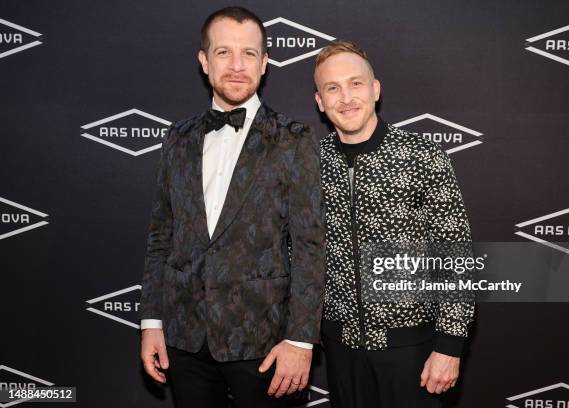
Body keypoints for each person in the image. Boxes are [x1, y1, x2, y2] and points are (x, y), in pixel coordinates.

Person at [138, 7, 325, 408]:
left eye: (249, 54)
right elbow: (161, 236)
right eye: (224, 53)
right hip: (185, 339)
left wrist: (300, 339)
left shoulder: (294, 140)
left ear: (265, 63)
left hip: (266, 343)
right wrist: (152, 321)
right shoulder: (178, 137)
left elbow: (311, 247)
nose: (237, 66)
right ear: (205, 61)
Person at [314, 41, 475, 408]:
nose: (346, 97)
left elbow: (455, 254)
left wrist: (449, 346)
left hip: (414, 351)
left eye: (355, 84)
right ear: (320, 101)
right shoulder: (310, 163)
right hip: (341, 349)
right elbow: (297, 250)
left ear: (375, 89)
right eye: (332, 88)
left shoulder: (423, 156)